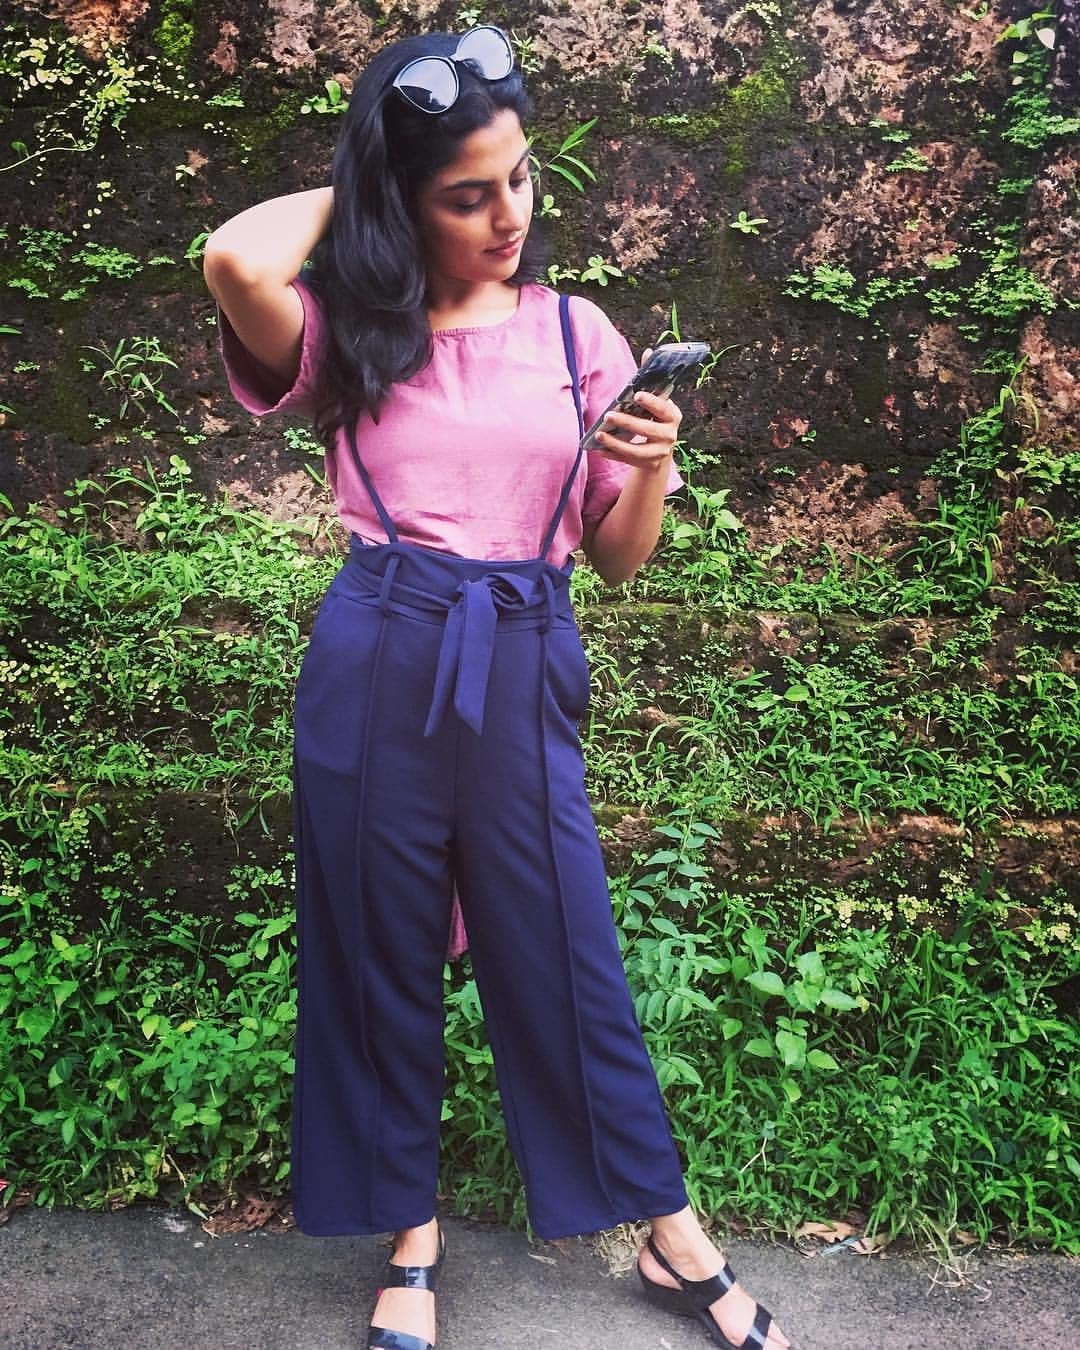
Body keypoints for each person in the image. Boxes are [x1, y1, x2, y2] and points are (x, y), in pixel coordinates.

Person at [203, 26, 790, 1350]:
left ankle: (669, 1229)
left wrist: (649, 462)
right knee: (380, 950)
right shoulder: (349, 329)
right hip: (379, 651)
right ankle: (408, 1233)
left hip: (524, 649)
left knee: (567, 951)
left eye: (519, 177)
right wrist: (362, 185)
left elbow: (618, 557)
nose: (508, 213)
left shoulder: (580, 332)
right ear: (404, 198)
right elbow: (235, 259)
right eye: (467, 193)